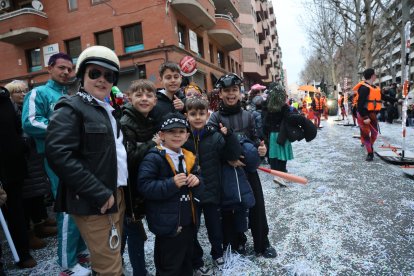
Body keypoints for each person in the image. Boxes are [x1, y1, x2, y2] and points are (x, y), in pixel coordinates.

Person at [45, 45, 127, 275]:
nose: (102, 80)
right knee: (109, 267)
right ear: (82, 75)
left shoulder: (106, 109)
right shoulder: (71, 107)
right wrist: (98, 192)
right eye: (95, 73)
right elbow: (58, 154)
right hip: (95, 200)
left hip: (115, 193)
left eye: (108, 75)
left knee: (112, 256)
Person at [22, 52, 89, 275]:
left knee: (79, 205)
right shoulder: (37, 93)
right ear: (49, 68)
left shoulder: (74, 94)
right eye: (62, 68)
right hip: (56, 158)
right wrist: (65, 130)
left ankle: (78, 252)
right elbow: (30, 122)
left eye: (70, 69)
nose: (66, 72)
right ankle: (67, 264)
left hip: (78, 156)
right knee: (67, 209)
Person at [208, 73, 277, 258]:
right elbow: (211, 146)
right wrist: (227, 159)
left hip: (248, 169)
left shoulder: (248, 116)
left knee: (257, 207)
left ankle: (262, 243)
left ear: (239, 92)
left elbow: (256, 139)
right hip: (228, 171)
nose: (231, 94)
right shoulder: (214, 118)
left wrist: (261, 151)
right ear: (220, 93)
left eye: (234, 90)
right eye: (227, 91)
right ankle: (236, 242)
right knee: (231, 209)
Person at [138, 112, 203, 276]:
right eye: (171, 131)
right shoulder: (154, 157)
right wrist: (171, 184)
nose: (177, 135)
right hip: (168, 224)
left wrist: (197, 180)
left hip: (188, 220)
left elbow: (200, 178)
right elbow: (144, 186)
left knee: (186, 262)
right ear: (161, 135)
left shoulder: (189, 156)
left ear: (187, 135)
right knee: (169, 266)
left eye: (181, 131)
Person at [183, 97, 241, 275]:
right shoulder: (182, 137)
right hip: (191, 193)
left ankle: (217, 252)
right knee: (192, 228)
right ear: (187, 116)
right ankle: (196, 260)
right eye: (193, 114)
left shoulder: (215, 136)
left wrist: (228, 135)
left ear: (207, 115)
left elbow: (232, 154)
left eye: (201, 113)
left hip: (212, 190)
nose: (198, 117)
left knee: (215, 227)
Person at [5, 80, 56, 251]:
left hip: (33, 157)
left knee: (37, 192)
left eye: (25, 90)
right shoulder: (11, 110)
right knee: (25, 196)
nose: (23, 94)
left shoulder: (24, 108)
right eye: (18, 91)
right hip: (22, 158)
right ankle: (29, 232)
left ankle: (40, 222)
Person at [120, 79, 160, 276]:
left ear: (155, 100)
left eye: (149, 95)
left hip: (143, 183)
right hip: (130, 188)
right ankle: (138, 271)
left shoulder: (149, 119)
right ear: (130, 97)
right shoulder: (126, 122)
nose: (144, 99)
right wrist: (153, 143)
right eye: (139, 95)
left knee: (128, 230)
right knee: (132, 230)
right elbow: (129, 158)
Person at [0, 86, 37, 269]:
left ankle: (23, 253)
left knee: (16, 211)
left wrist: (21, 145)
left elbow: (17, 127)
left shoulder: (4, 98)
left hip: (12, 166)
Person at [353, 68, 396, 161]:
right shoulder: (363, 88)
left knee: (375, 134)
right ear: (372, 76)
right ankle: (370, 153)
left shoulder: (375, 88)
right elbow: (360, 106)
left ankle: (369, 146)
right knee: (365, 134)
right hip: (363, 113)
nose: (376, 76)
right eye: (375, 74)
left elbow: (384, 97)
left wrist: (396, 100)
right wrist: (365, 117)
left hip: (372, 114)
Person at [263, 84, 294, 187]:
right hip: (282, 133)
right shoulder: (284, 106)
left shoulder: (268, 106)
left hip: (272, 134)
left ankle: (278, 175)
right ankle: (281, 176)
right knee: (282, 155)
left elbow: (265, 121)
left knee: (274, 156)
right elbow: (288, 119)